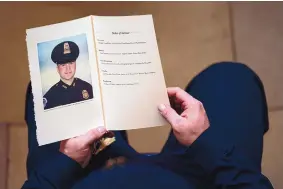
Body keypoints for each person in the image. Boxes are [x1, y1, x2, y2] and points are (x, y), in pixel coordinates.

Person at [21, 61, 274, 189]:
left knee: (46, 89)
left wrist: (67, 161)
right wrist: (206, 144)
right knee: (231, 79)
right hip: (200, 180)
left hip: (83, 176)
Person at [43, 41, 93, 110]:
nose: (68, 68)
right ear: (57, 68)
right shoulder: (50, 96)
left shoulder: (88, 88)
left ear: (75, 64)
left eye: (71, 63)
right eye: (63, 65)